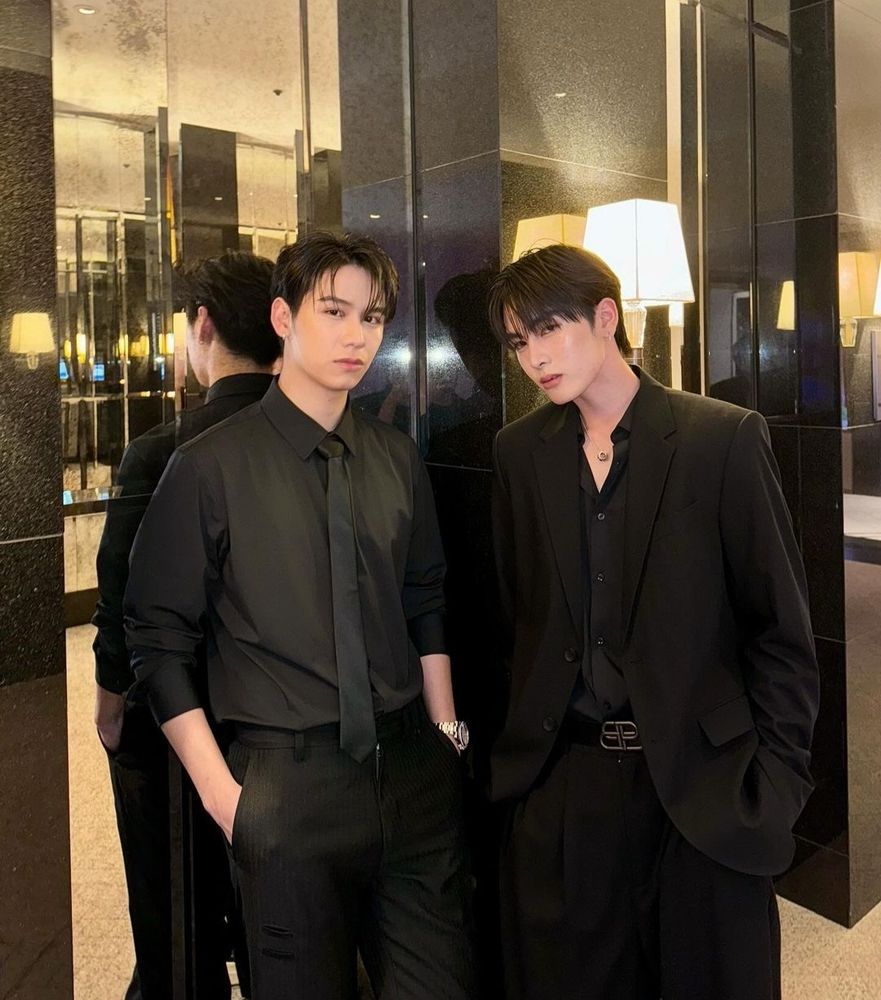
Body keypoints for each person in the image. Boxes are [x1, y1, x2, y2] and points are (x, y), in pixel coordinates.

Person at [124, 231, 476, 1000]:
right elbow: (155, 637)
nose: (357, 336)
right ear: (283, 318)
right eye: (334, 311)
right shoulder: (207, 467)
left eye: (372, 317)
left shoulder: (394, 456)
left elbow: (424, 595)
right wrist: (226, 798)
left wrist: (445, 732)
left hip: (411, 774)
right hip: (286, 783)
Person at [486, 244, 819, 1000]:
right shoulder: (519, 453)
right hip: (566, 784)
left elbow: (779, 630)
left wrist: (775, 788)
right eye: (518, 341)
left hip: (705, 784)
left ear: (605, 317)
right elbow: (514, 620)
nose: (534, 358)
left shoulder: (720, 437)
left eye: (548, 329)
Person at [93, 250, 281, 999]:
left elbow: (122, 601)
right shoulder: (321, 437)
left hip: (171, 726)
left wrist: (110, 707)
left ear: (202, 325)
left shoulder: (160, 451)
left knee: (173, 913)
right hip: (281, 724)